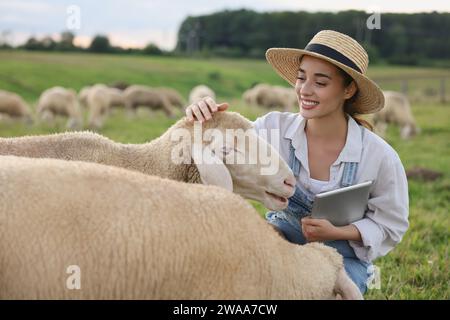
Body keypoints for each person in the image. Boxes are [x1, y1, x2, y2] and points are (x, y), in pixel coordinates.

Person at [184, 30, 409, 294]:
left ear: (348, 89)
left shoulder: (379, 156)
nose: (304, 89)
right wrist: (203, 118)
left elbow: (390, 225)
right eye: (301, 78)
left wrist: (338, 233)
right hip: (279, 243)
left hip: (344, 261)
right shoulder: (273, 129)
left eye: (320, 83)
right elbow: (224, 146)